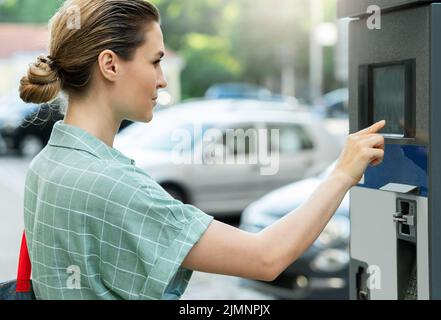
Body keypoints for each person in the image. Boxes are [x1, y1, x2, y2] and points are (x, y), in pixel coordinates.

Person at [18, 0, 385, 300]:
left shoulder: (46, 165)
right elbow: (265, 258)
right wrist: (342, 173)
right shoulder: (115, 186)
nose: (162, 79)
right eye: (155, 60)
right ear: (110, 64)